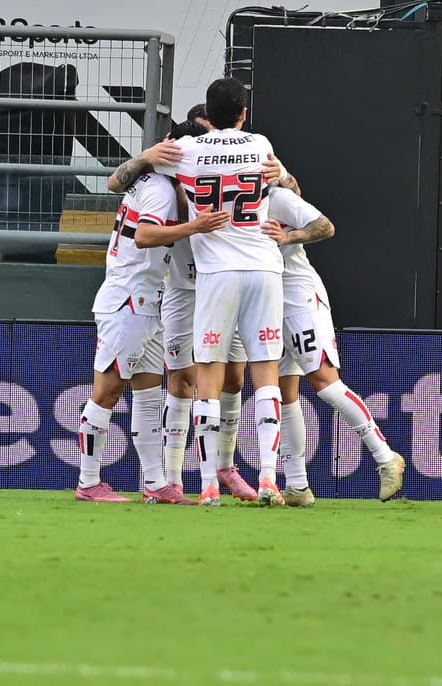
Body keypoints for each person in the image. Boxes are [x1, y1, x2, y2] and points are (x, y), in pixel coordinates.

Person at [75, 125, 229, 504]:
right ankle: (88, 481)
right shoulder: (160, 189)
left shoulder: (151, 180)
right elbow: (144, 236)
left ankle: (156, 483)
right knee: (107, 391)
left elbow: (116, 182)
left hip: (148, 300)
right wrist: (194, 227)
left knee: (147, 395)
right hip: (128, 299)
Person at [154, 78, 288, 506]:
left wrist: (146, 156)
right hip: (264, 267)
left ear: (207, 115)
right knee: (265, 373)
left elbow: (137, 175)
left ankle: (209, 483)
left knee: (207, 378)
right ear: (244, 113)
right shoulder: (261, 144)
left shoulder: (189, 151)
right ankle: (268, 478)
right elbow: (285, 183)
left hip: (216, 274)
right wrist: (283, 174)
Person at [261, 186, 406, 505]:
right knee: (284, 393)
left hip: (298, 297)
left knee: (325, 382)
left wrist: (288, 236)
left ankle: (385, 457)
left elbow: (325, 226)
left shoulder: (277, 197)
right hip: (266, 301)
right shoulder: (226, 199)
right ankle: (297, 484)